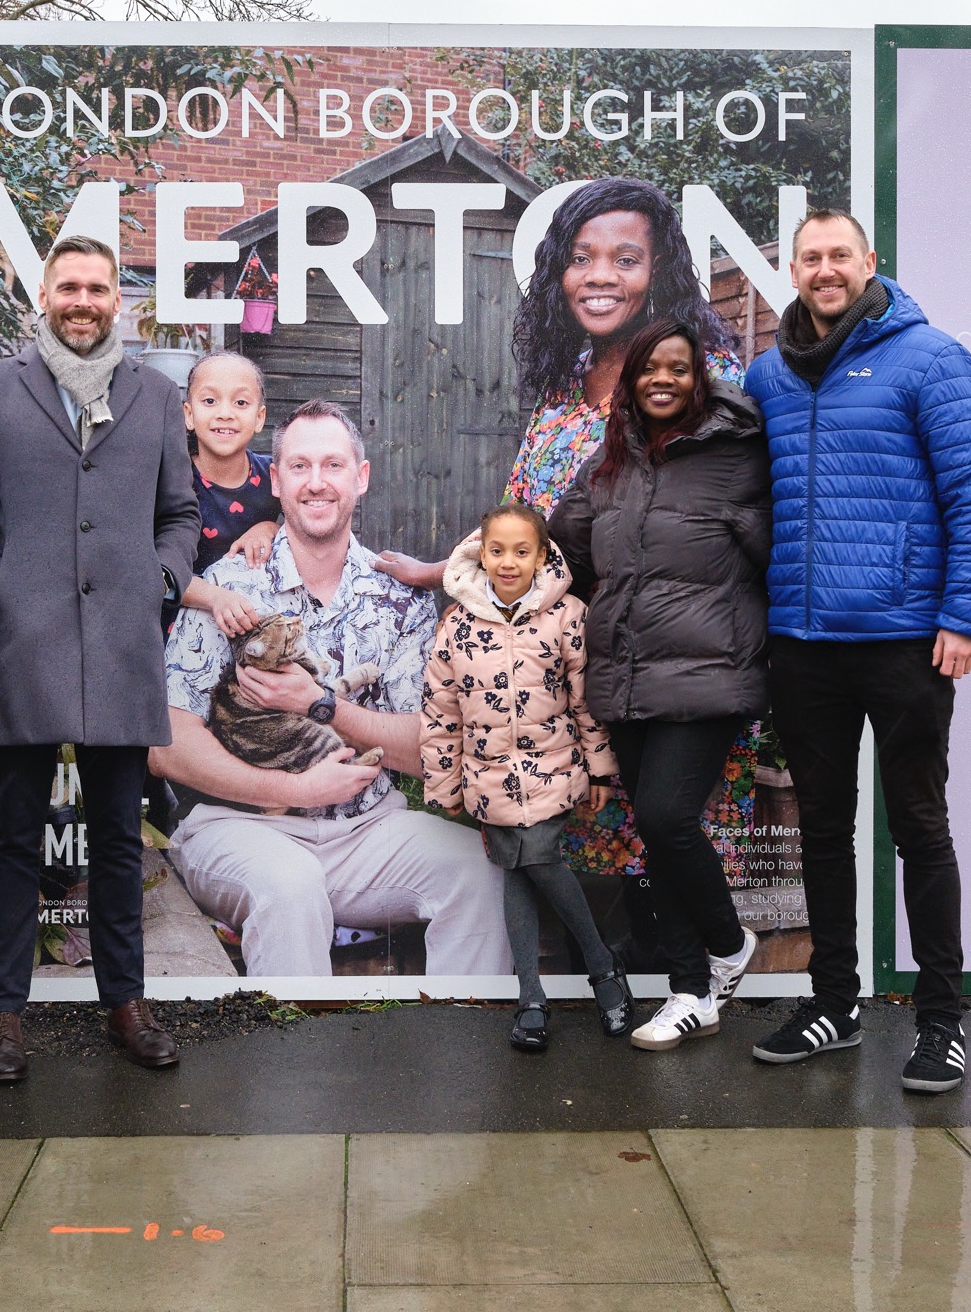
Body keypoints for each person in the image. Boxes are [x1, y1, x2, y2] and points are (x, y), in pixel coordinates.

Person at [373, 177, 753, 965]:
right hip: (572, 668)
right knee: (581, 870)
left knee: (661, 860)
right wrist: (441, 572)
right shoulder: (562, 388)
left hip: (667, 662)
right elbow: (531, 524)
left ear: (661, 270)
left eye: (625, 258)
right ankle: (626, 1007)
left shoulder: (699, 377)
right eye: (582, 258)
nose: (600, 276)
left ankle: (692, 990)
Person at [741, 209, 971, 1093]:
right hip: (804, 644)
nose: (825, 270)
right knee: (823, 829)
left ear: (869, 262)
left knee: (920, 827)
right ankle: (834, 1003)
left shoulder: (929, 358)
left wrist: (968, 617)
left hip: (904, 641)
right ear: (792, 270)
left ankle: (941, 1022)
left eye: (839, 256)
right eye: (810, 258)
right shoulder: (769, 375)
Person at [151, 401, 512, 978]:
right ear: (276, 480)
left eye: (333, 465)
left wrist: (321, 705)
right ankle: (299, 1044)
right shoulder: (227, 586)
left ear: (360, 478)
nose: (316, 483)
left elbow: (428, 749)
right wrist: (293, 787)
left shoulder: (398, 599)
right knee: (289, 886)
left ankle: (459, 1035)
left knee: (479, 870)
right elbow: (167, 745)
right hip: (239, 828)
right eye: (299, 466)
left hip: (366, 829)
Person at [0, 235, 198, 1079]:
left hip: (123, 645)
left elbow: (180, 513)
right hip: (26, 644)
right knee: (14, 838)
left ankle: (125, 1003)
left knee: (120, 839)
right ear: (45, 296)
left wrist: (162, 579)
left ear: (116, 300)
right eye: (69, 287)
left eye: (97, 288)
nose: (84, 301)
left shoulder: (156, 395)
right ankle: (4, 1015)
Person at [552, 317, 772, 1051]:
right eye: (650, 367)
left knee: (667, 817)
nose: (662, 379)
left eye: (677, 368)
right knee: (655, 829)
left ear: (698, 377)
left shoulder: (740, 453)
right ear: (632, 379)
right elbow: (565, 549)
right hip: (627, 671)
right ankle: (690, 992)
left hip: (710, 669)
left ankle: (727, 943)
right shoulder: (610, 460)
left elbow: (783, 550)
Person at [420, 502, 630, 1049]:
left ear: (540, 557)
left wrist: (599, 767)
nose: (508, 562)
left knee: (536, 856)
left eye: (521, 551)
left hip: (552, 767)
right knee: (515, 869)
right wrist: (444, 784)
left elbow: (586, 700)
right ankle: (534, 996)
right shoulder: (457, 625)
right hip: (488, 776)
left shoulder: (567, 616)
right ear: (480, 554)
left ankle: (599, 967)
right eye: (497, 551)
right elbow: (441, 711)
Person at [179, 351, 281, 636]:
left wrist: (271, 528)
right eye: (210, 401)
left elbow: (307, 527)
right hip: (185, 629)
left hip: (256, 624)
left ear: (259, 417)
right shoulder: (172, 481)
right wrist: (215, 598)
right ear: (189, 414)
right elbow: (154, 570)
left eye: (241, 402)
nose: (225, 413)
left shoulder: (273, 475)